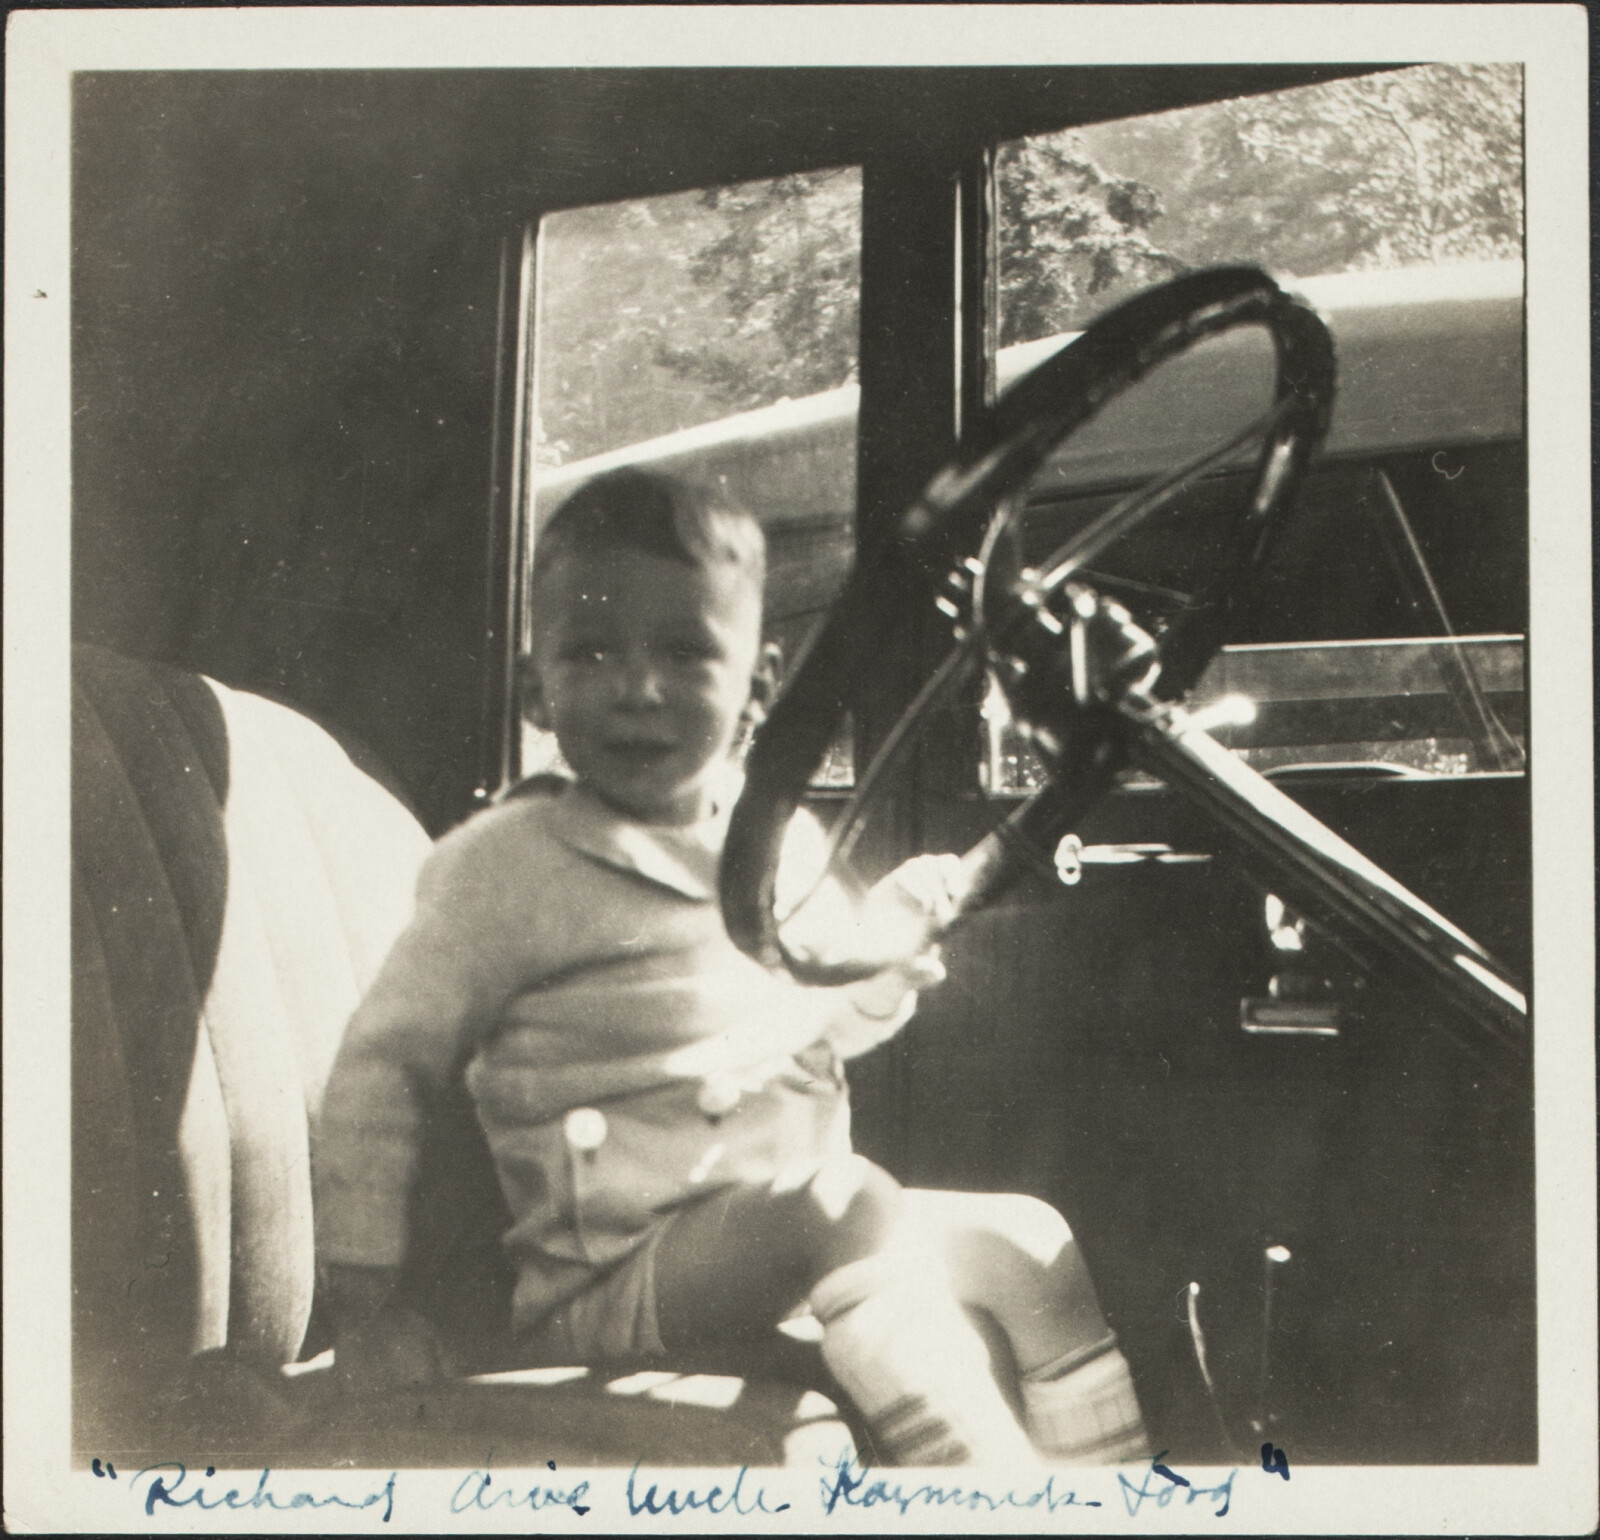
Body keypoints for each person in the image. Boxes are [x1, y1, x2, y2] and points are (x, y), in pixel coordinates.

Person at [315, 466, 1148, 1467]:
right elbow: (380, 1072)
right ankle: (993, 1498)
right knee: (848, 1203)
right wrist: (362, 1293)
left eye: (683, 652)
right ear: (536, 685)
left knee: (1029, 1243)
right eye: (590, 652)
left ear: (756, 687)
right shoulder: (500, 868)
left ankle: (1114, 1493)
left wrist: (879, 962)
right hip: (616, 1278)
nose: (638, 688)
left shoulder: (775, 840)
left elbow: (828, 1018)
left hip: (789, 1237)